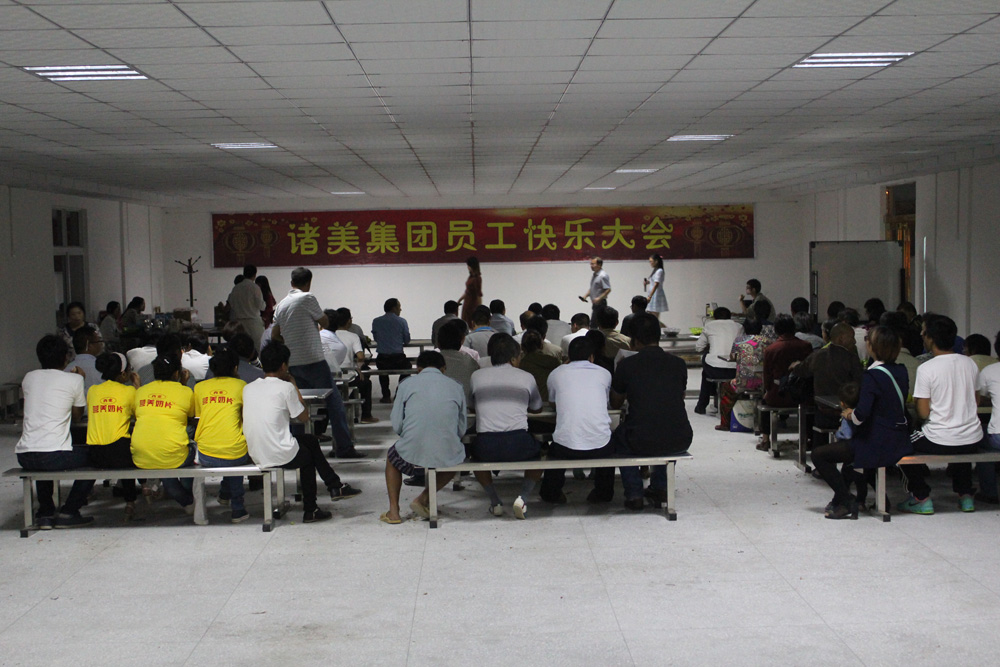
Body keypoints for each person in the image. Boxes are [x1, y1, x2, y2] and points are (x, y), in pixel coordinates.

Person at [243, 342, 361, 524]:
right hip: (278, 454)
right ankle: (311, 508)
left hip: (256, 452)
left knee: (310, 441)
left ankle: (335, 485)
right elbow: (304, 417)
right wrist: (293, 384)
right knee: (308, 456)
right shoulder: (285, 388)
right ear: (284, 366)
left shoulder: (248, 388)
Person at [811, 326, 913, 519]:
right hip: (898, 437)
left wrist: (849, 414)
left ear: (872, 347)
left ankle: (845, 499)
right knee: (854, 460)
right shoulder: (901, 371)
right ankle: (853, 499)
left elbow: (861, 415)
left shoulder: (871, 376)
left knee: (820, 455)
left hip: (876, 440)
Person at [898, 316, 984, 514]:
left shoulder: (927, 368)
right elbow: (976, 400)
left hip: (938, 439)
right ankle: (966, 496)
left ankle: (920, 496)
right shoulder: (970, 364)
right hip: (972, 438)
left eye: (923, 332)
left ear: (931, 338)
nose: (921, 335)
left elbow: (923, 412)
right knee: (959, 436)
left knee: (898, 444)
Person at [273, 267, 361, 458]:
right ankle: (344, 448)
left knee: (298, 406)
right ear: (309, 282)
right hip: (313, 360)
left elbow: (275, 335)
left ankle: (300, 448)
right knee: (335, 403)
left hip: (292, 363)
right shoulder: (308, 298)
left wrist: (291, 343)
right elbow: (325, 322)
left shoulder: (281, 305)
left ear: (291, 283)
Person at [608, 313, 693, 509]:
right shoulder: (678, 364)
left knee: (620, 437)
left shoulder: (626, 365)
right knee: (664, 426)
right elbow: (677, 398)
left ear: (635, 340)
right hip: (680, 436)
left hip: (641, 438)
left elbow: (615, 403)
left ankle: (634, 493)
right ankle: (661, 487)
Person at [15, 335, 94, 529]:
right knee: (96, 458)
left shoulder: (29, 378)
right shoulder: (74, 379)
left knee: (44, 450)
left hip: (25, 455)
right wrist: (80, 379)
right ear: (66, 357)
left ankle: (46, 512)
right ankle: (70, 510)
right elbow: (77, 417)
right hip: (54, 456)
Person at [381, 351, 467, 523]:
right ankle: (423, 498)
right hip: (446, 449)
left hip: (412, 448)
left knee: (392, 459)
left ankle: (394, 512)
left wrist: (409, 436)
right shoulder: (456, 386)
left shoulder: (406, 384)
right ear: (444, 369)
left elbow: (397, 423)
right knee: (457, 460)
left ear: (418, 369)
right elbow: (461, 427)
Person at [470, 333, 544, 519]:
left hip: (486, 444)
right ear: (513, 358)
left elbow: (471, 405)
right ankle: (523, 498)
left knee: (476, 459)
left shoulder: (476, 376)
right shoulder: (526, 377)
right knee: (539, 455)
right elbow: (537, 408)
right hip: (519, 443)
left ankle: (495, 502)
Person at [539, 337, 616, 504]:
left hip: (566, 446)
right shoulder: (604, 373)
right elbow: (605, 400)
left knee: (555, 449)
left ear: (569, 356)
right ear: (591, 357)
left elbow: (552, 402)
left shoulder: (556, 373)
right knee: (609, 444)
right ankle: (603, 493)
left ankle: (551, 493)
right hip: (600, 445)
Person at [193, 348, 253, 523]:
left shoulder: (200, 387)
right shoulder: (241, 386)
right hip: (235, 452)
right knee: (234, 449)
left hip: (206, 453)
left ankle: (225, 494)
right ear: (235, 368)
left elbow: (198, 416)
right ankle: (237, 508)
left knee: (226, 451)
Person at [131, 355, 196, 512]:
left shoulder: (141, 391)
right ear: (177, 373)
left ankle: (186, 500)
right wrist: (184, 384)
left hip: (141, 455)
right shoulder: (186, 391)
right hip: (173, 454)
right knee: (190, 448)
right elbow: (190, 415)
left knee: (165, 459)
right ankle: (188, 497)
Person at [87, 352, 140, 520]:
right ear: (123, 373)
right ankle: (131, 501)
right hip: (119, 454)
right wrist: (137, 386)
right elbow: (140, 414)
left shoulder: (93, 391)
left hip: (94, 454)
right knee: (134, 447)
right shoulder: (129, 391)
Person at [757, 315, 813, 452]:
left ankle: (765, 439)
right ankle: (808, 438)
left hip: (778, 395)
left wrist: (768, 391)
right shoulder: (806, 346)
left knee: (764, 401)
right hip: (802, 394)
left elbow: (767, 377)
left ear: (776, 330)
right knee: (809, 405)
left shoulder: (771, 349)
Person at [694, 306, 742, 414]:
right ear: (730, 317)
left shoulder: (709, 325)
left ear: (714, 317)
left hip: (714, 370)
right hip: (735, 371)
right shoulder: (739, 327)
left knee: (706, 361)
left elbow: (698, 348)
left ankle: (702, 405)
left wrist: (709, 347)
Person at [334, 308, 378, 424]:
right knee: (366, 384)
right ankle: (366, 416)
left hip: (331, 377)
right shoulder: (353, 336)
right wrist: (357, 367)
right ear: (349, 321)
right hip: (349, 376)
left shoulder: (328, 335)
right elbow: (360, 356)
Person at [371, 297, 412, 404]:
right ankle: (398, 393)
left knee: (382, 372)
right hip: (398, 358)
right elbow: (407, 340)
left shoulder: (376, 321)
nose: (400, 309)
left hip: (382, 358)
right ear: (394, 308)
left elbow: (376, 338)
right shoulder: (402, 321)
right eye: (399, 307)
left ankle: (386, 396)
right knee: (408, 368)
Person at [975, 331, 1000, 504]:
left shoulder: (990, 371)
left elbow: (980, 398)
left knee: (977, 436)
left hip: (998, 436)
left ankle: (989, 491)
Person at [437, 320, 479, 407]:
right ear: (462, 341)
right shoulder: (470, 361)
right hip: (466, 411)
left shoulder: (432, 361)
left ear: (438, 343)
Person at [227, 264, 266, 351]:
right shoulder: (255, 287)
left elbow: (232, 304)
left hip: (239, 323)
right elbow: (261, 306)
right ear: (254, 275)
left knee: (242, 348)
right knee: (258, 347)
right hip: (253, 322)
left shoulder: (236, 288)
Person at [518, 330, 561, 402]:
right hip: (551, 402)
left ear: (522, 347)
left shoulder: (521, 364)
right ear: (541, 346)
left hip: (530, 403)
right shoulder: (554, 361)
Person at [65, 326, 104, 391]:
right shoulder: (101, 368)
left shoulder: (67, 369)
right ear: (89, 346)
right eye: (98, 341)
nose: (101, 344)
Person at [580, 256, 611, 323]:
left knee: (595, 324)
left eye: (593, 264)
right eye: (591, 264)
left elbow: (608, 289)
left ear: (599, 265)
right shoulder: (595, 275)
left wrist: (599, 298)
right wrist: (585, 296)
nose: (591, 266)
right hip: (596, 304)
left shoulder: (603, 275)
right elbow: (592, 288)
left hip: (601, 304)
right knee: (595, 323)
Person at [644, 253, 668, 324]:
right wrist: (647, 282)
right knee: (651, 316)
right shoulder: (655, 270)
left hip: (656, 294)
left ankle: (665, 329)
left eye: (651, 261)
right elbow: (653, 281)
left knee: (654, 318)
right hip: (653, 294)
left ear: (656, 261)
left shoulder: (659, 271)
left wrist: (650, 296)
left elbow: (656, 284)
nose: (650, 263)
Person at [458, 256, 483, 327]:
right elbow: (467, 291)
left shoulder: (477, 278)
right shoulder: (471, 277)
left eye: (468, 266)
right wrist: (459, 300)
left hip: (473, 304)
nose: (468, 267)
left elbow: (478, 294)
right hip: (467, 302)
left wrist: (479, 307)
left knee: (471, 322)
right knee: (465, 322)